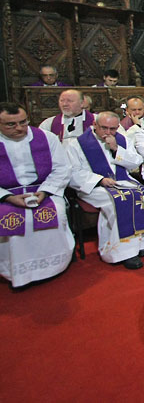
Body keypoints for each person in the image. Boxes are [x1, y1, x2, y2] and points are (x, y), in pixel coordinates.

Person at [66, 112, 144, 269]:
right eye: (104, 128)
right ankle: (124, 252)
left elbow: (136, 162)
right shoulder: (77, 145)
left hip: (122, 181)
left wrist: (116, 149)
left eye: (113, 129)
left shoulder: (122, 140)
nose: (108, 133)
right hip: (94, 186)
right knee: (119, 201)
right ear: (95, 125)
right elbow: (72, 172)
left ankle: (142, 243)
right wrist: (99, 180)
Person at [0, 102, 74, 287]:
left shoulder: (46, 138)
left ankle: (54, 265)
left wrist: (44, 191)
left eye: (23, 122)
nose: (19, 128)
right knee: (10, 219)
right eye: (11, 124)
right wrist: (8, 197)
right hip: (6, 194)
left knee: (55, 212)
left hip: (44, 189)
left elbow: (62, 168)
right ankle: (16, 270)